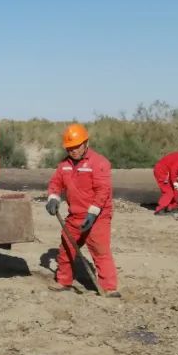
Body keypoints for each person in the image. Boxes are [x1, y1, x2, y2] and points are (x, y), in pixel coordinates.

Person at [45, 124, 120, 297]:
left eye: (77, 146)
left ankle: (109, 288)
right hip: (76, 215)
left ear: (86, 143)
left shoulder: (99, 163)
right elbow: (55, 184)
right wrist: (53, 198)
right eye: (70, 148)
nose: (73, 151)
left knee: (100, 251)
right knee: (66, 247)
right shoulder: (64, 165)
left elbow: (103, 190)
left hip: (98, 215)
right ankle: (64, 281)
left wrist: (93, 213)